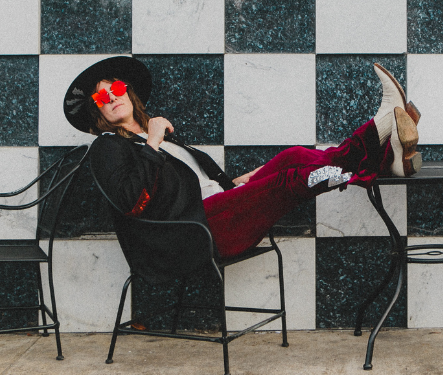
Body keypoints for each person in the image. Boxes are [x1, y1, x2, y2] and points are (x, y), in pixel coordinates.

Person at [63, 57, 421, 280]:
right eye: (100, 97)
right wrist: (153, 142)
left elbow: (191, 183)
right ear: (97, 111)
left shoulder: (156, 137)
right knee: (291, 180)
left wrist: (235, 183)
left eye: (116, 88)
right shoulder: (109, 146)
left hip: (219, 208)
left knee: (293, 156)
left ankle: (381, 146)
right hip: (190, 234)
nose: (111, 96)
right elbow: (132, 201)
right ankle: (379, 144)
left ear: (130, 93)